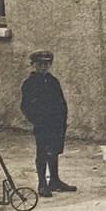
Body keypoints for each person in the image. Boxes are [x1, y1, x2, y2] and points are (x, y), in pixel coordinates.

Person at [21, 49, 76, 194]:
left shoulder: (53, 82)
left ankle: (55, 180)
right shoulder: (29, 84)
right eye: (40, 64)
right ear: (33, 65)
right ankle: (42, 183)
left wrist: (63, 119)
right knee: (42, 152)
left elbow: (61, 102)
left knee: (54, 151)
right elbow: (26, 106)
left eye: (46, 64)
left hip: (56, 123)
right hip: (42, 124)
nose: (43, 66)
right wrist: (36, 120)